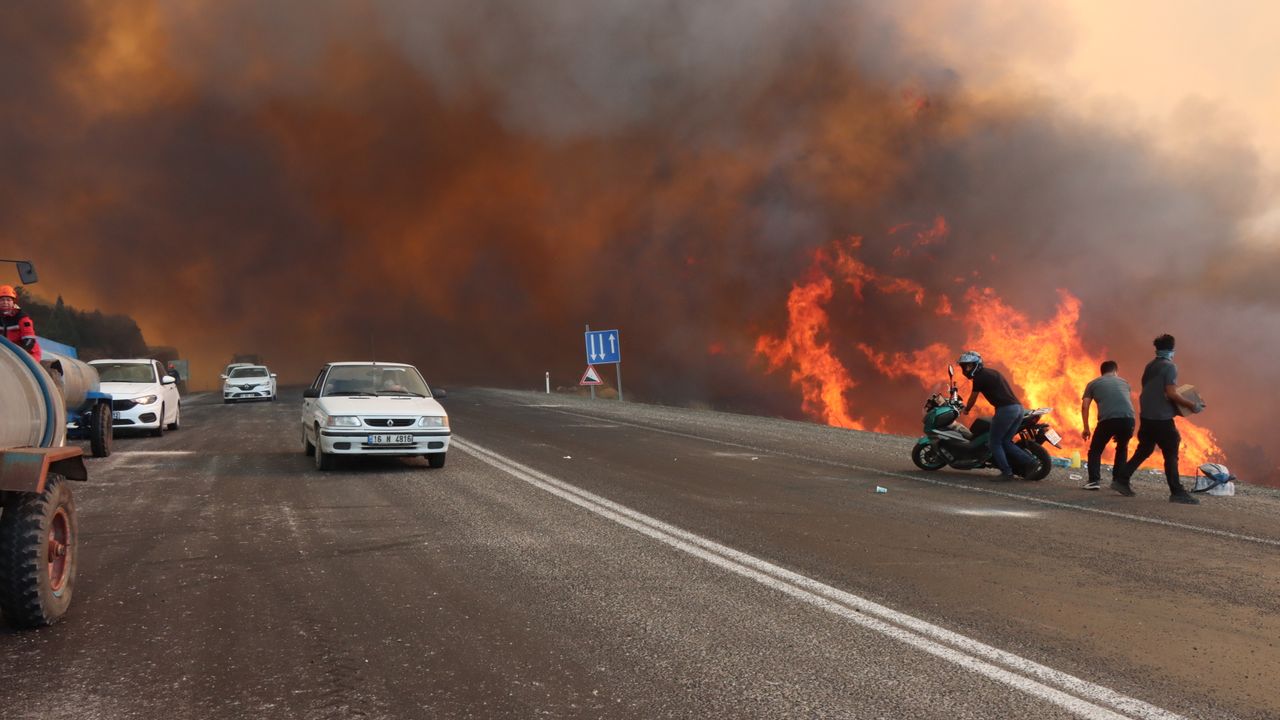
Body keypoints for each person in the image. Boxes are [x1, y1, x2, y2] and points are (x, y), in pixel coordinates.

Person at [1111, 334, 1202, 504]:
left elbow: (1152, 390)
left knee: (1144, 450)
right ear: (1172, 349)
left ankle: (1121, 479)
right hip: (1161, 419)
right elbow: (1171, 393)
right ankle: (1177, 492)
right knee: (1171, 451)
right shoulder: (1170, 367)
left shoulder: (1150, 366)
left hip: (1147, 416)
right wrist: (1192, 405)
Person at [958, 351, 1037, 481]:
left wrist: (966, 409)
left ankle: (1007, 473)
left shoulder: (979, 378)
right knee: (1005, 441)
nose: (966, 369)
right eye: (965, 366)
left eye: (969, 366)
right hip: (1018, 409)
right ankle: (1030, 462)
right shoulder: (993, 372)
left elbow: (973, 398)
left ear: (976, 365)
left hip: (1005, 410)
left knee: (994, 443)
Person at [1080, 360, 1136, 490]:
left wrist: (1086, 428)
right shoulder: (1125, 383)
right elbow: (1123, 402)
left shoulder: (1093, 384)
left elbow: (1085, 406)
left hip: (1108, 420)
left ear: (1102, 372)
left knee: (1095, 450)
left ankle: (1094, 481)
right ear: (1116, 371)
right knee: (1122, 449)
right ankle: (1118, 481)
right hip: (1128, 420)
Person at [0, 285, 42, 362]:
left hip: (27, 353)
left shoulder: (22, 319)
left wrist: (17, 355)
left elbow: (29, 341)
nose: (5, 302)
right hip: (7, 352)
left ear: (13, 302)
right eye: (2, 300)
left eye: (8, 300)